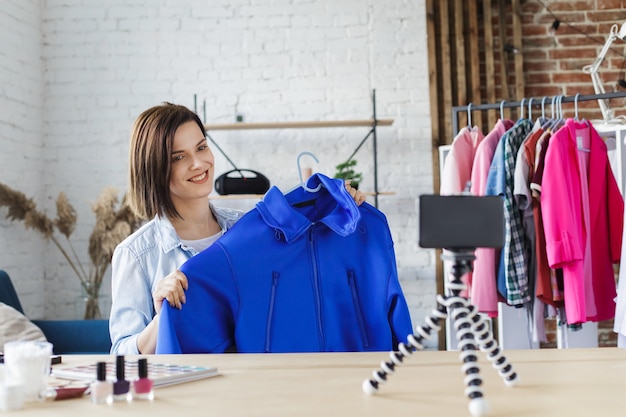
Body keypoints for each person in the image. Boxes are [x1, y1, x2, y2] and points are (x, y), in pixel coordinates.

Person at [109, 102, 366, 355]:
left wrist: (339, 210)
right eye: (178, 157)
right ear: (153, 168)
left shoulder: (250, 230)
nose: (198, 163)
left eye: (201, 147)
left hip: (256, 385)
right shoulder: (136, 255)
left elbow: (303, 273)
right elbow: (121, 354)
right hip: (187, 391)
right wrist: (161, 320)